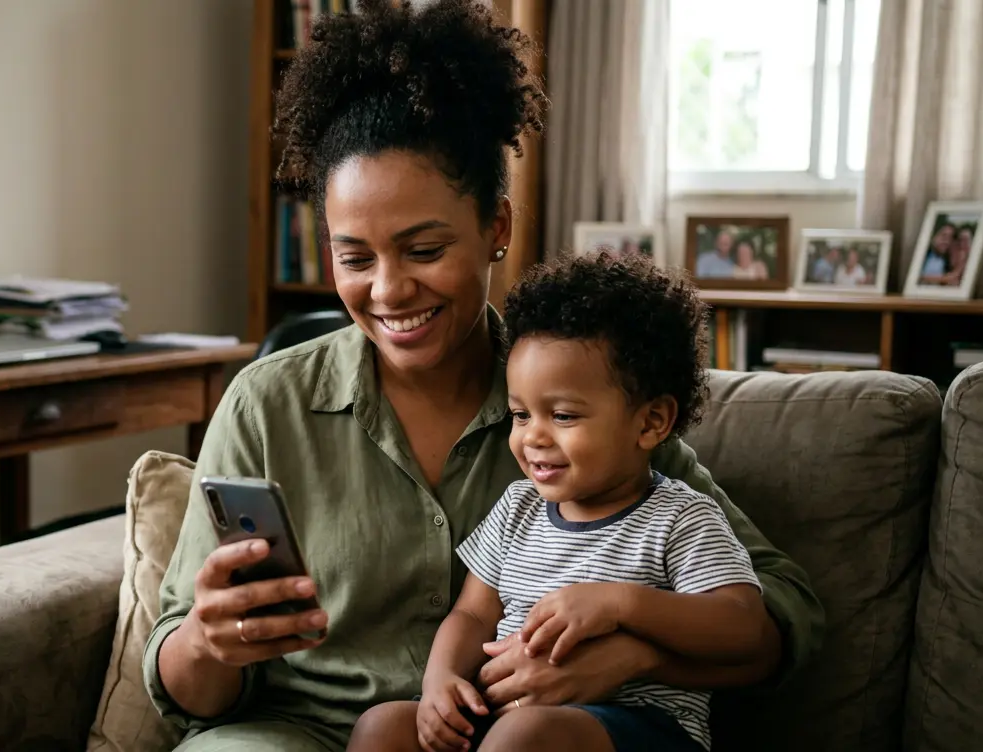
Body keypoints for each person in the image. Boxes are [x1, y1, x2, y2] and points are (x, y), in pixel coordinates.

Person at [143, 3, 824, 750]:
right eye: (355, 258)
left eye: (425, 249)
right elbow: (187, 690)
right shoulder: (268, 403)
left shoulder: (588, 402)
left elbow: (779, 617)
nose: (389, 291)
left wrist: (637, 651)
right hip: (297, 731)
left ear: (497, 229)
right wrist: (209, 642)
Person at [349, 253, 764, 752]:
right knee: (383, 727)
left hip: (641, 727)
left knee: (526, 734)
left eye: (563, 416)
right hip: (510, 716)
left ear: (652, 422)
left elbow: (744, 627)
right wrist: (439, 681)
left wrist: (620, 603)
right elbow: (473, 616)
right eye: (521, 415)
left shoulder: (680, 517)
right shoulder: (517, 508)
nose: (533, 438)